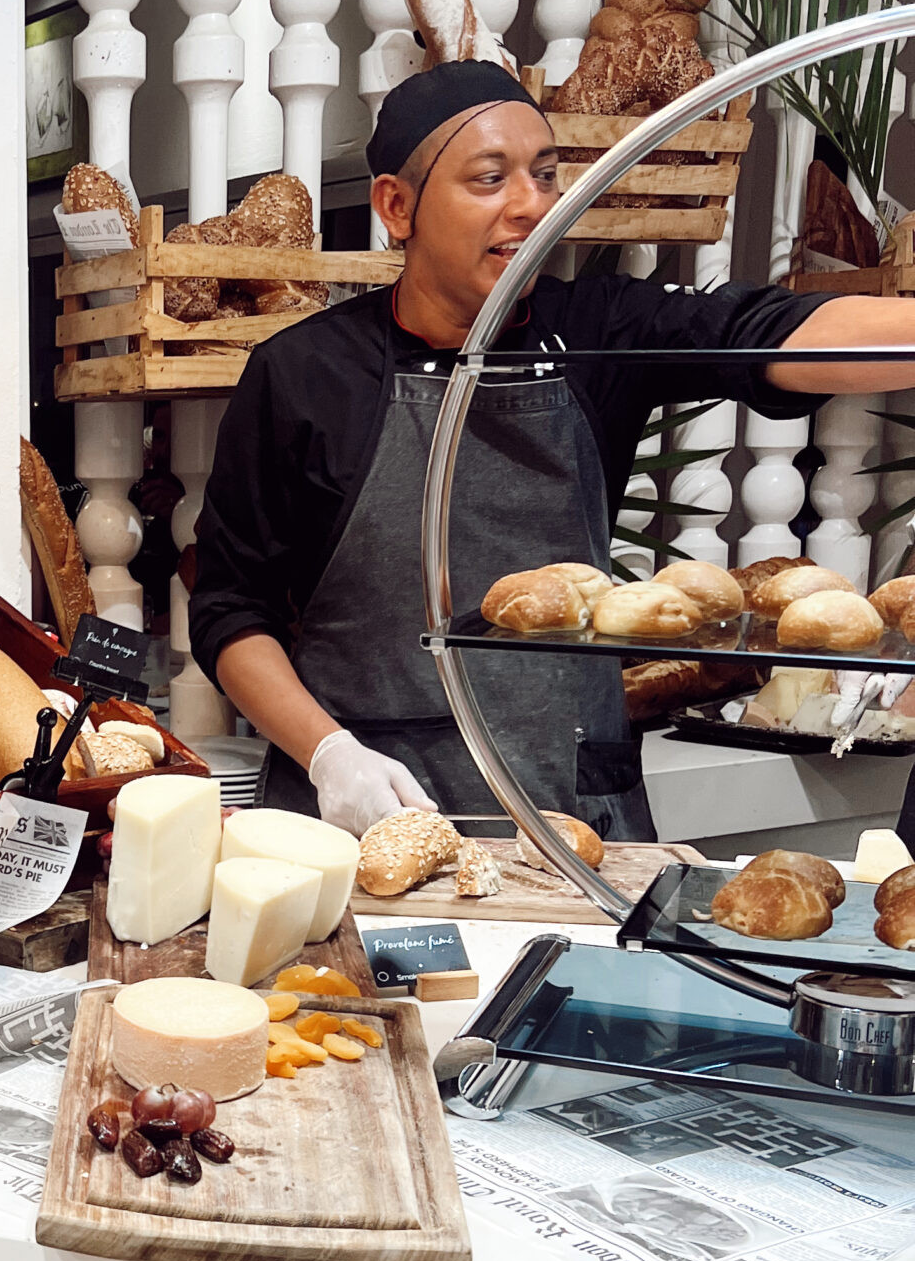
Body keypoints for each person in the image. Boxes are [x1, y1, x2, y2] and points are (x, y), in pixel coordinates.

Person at [189, 61, 915, 837]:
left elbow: (771, 335)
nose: (532, 205)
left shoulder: (600, 328)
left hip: (569, 808)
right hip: (364, 806)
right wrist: (330, 753)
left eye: (545, 175)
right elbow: (232, 610)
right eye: (489, 179)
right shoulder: (304, 371)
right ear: (397, 207)